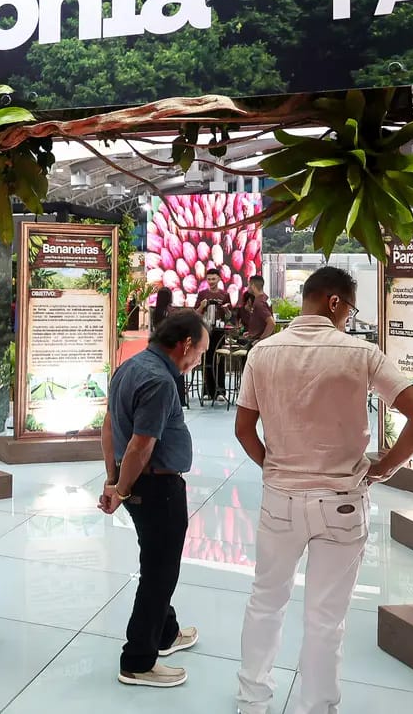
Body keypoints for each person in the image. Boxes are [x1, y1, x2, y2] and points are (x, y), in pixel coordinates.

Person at [233, 266, 413, 714]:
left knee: (266, 600)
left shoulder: (263, 353)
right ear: (335, 303)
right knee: (325, 619)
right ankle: (317, 707)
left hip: (281, 500)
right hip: (343, 504)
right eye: (351, 309)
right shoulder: (361, 354)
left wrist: (275, 466)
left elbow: (244, 428)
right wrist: (385, 466)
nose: (349, 317)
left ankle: (252, 700)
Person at [99, 311, 209, 689]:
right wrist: (123, 488)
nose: (198, 362)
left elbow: (110, 426)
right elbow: (140, 444)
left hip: (138, 486)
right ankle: (138, 660)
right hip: (156, 489)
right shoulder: (160, 380)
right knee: (159, 574)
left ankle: (166, 633)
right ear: (186, 345)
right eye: (200, 353)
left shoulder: (130, 367)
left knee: (156, 561)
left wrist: (114, 481)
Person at [193, 269, 231, 400]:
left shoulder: (224, 295)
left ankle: (220, 391)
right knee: (206, 360)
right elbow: (196, 313)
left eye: (213, 279)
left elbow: (229, 316)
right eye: (209, 279)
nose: (211, 282)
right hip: (206, 331)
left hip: (219, 332)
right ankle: (207, 391)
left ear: (219, 279)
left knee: (219, 360)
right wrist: (202, 306)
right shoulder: (202, 294)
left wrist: (226, 309)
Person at [236, 275, 276, 342]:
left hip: (259, 343)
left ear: (253, 286)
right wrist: (252, 333)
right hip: (259, 338)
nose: (247, 287)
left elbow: (271, 323)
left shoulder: (259, 303)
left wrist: (260, 340)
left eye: (248, 285)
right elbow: (262, 321)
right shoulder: (266, 298)